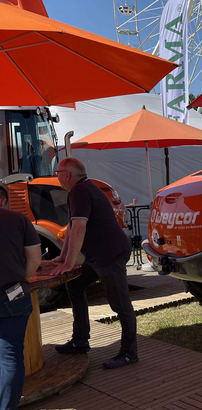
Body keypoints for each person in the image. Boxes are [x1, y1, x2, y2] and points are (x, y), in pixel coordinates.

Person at [51, 158, 138, 369]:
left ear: (67, 174)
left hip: (111, 255)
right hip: (97, 255)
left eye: (57, 173)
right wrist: (63, 258)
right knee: (75, 285)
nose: (57, 177)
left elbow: (79, 228)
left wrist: (69, 263)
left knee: (120, 305)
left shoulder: (81, 191)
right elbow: (71, 228)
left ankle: (129, 353)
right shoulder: (79, 191)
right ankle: (80, 341)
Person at [0, 185, 42, 410]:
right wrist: (21, 279)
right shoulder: (18, 220)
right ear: (3, 199)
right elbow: (35, 259)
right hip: (11, 295)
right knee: (10, 357)